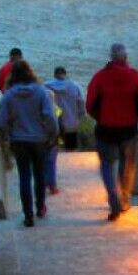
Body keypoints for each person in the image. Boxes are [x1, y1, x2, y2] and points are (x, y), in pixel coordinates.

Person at [86, 43, 138, 221]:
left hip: (105, 129)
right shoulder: (134, 77)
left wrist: (100, 117)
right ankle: (124, 200)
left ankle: (112, 196)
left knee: (107, 165)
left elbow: (89, 105)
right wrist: (134, 115)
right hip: (128, 130)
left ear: (110, 57)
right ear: (126, 58)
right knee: (127, 165)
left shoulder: (99, 77)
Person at [0, 60, 59, 227]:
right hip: (39, 140)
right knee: (39, 174)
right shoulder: (41, 92)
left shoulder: (9, 95)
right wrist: (53, 134)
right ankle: (40, 207)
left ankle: (28, 215)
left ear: (12, 75)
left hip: (19, 141)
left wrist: (4, 138)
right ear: (30, 73)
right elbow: (50, 117)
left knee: (24, 176)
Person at [44, 66, 86, 195]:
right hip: (71, 124)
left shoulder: (46, 86)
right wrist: (80, 117)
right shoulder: (75, 86)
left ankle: (54, 176)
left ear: (55, 74)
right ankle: (71, 174)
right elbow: (81, 103)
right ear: (65, 74)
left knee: (55, 151)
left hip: (55, 125)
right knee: (71, 151)